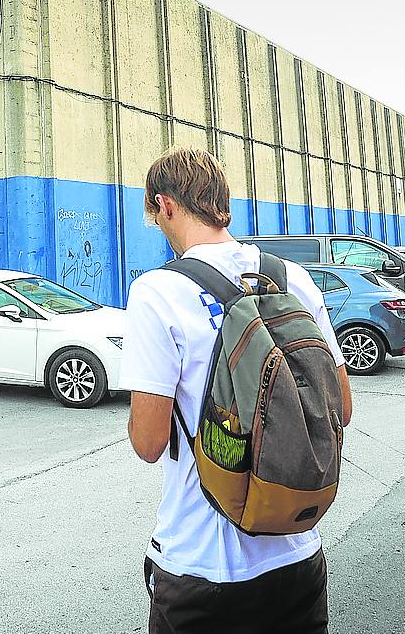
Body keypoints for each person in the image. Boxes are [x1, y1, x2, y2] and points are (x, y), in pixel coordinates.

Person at [121, 148, 353, 634]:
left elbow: (148, 444)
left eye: (156, 217)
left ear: (165, 205)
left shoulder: (157, 291)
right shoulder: (294, 279)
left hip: (201, 566)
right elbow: (342, 409)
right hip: (297, 555)